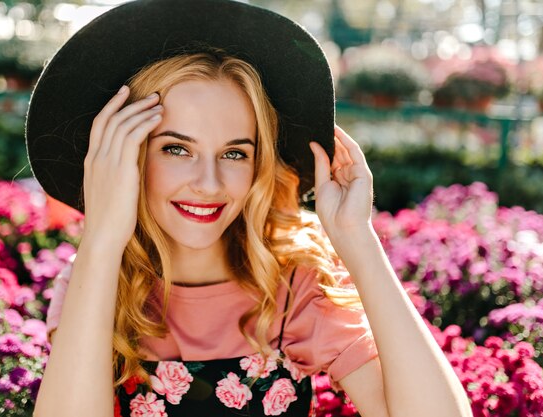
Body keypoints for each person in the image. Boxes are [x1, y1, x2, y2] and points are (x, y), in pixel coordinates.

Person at [26, 1, 473, 416]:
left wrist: (359, 239)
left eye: (235, 153)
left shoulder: (295, 284)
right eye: (176, 149)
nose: (208, 183)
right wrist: (102, 240)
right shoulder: (99, 280)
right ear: (129, 155)